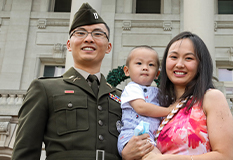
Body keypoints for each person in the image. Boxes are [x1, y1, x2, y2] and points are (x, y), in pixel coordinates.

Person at [11, 3, 153, 160]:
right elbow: (25, 153)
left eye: (98, 34)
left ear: (108, 47)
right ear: (69, 45)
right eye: (80, 33)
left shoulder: (123, 98)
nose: (89, 39)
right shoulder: (45, 89)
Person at [143, 31, 233, 160]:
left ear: (200, 64)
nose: (179, 64)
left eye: (188, 58)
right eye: (173, 57)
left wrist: (169, 159)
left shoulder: (211, 98)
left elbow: (225, 156)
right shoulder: (161, 105)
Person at [117, 45, 174, 155]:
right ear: (127, 70)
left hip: (151, 138)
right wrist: (169, 110)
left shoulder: (158, 92)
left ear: (157, 74)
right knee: (155, 157)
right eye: (139, 63)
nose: (145, 67)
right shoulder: (132, 88)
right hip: (134, 136)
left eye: (151, 65)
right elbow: (141, 107)